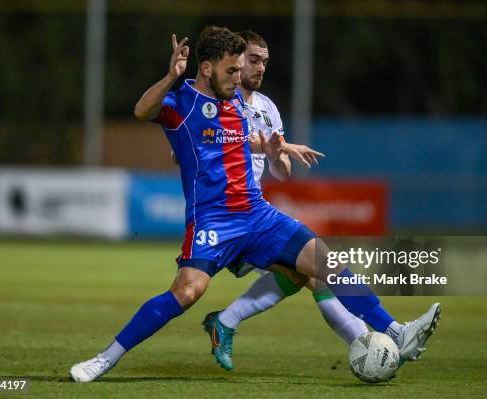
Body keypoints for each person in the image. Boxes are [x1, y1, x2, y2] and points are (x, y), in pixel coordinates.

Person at [69, 26, 440, 383]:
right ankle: (104, 359)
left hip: (258, 215)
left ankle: (397, 331)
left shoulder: (236, 103)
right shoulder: (182, 102)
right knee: (186, 292)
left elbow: (248, 140)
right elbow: (142, 111)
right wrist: (169, 77)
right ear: (207, 68)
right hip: (213, 220)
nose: (238, 76)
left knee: (324, 265)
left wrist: (282, 149)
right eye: (231, 69)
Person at [201, 31, 372, 371]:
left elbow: (281, 173)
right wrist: (280, 146)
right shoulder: (219, 102)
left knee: (307, 273)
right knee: (313, 272)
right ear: (235, 62)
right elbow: (211, 142)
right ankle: (370, 339)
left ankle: (367, 341)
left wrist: (279, 155)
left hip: (254, 211)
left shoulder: (267, 109)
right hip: (226, 214)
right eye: (253, 60)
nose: (259, 67)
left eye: (264, 62)